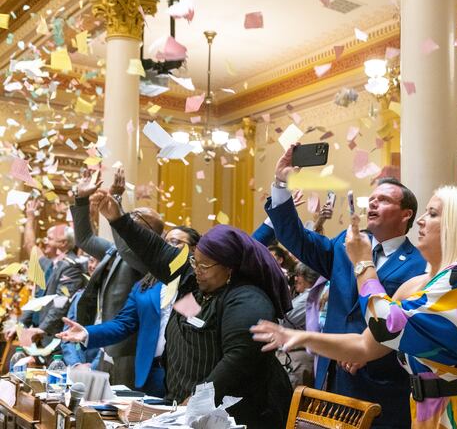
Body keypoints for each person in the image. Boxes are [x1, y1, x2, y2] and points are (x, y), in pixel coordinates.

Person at [253, 186, 457, 428]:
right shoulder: (421, 282)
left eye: (432, 214)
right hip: (430, 410)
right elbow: (366, 345)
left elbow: (385, 325)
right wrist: (300, 337)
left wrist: (363, 263)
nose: (422, 220)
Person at [87, 189, 293, 428]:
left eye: (205, 266)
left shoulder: (248, 300)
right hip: (184, 410)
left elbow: (238, 361)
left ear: (230, 268)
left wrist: (195, 402)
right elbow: (156, 250)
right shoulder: (192, 279)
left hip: (232, 416)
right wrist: (118, 219)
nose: (197, 269)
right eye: (196, 260)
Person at [265, 143, 426, 428]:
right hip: (331, 375)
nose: (373, 203)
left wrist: (370, 348)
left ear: (406, 214)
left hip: (380, 379)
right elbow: (297, 238)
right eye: (371, 198)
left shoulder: (419, 264)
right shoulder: (346, 242)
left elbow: (412, 326)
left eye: (384, 200)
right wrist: (281, 183)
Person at [58, 226, 201, 398]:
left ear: (194, 249)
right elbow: (124, 323)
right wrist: (87, 333)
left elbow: (195, 326)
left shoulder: (198, 285)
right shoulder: (146, 285)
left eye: (175, 242)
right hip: (151, 370)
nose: (167, 246)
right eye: (165, 242)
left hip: (185, 372)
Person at [70, 169, 163, 387]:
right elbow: (84, 239)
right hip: (103, 345)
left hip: (127, 350)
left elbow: (128, 248)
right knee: (96, 408)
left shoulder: (150, 261)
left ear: (149, 233)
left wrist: (117, 206)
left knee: (120, 412)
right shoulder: (115, 250)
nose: (129, 217)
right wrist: (81, 199)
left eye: (136, 216)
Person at [13, 223, 85, 344]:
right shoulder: (51, 264)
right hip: (40, 335)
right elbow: (38, 300)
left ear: (63, 243)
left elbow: (60, 303)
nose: (45, 242)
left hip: (56, 337)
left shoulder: (71, 267)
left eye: (50, 239)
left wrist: (42, 329)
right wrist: (20, 325)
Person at [279, 262, 321, 388]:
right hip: (295, 353)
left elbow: (285, 319)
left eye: (298, 275)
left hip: (299, 356)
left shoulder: (309, 296)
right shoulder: (305, 295)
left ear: (308, 276)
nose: (295, 279)